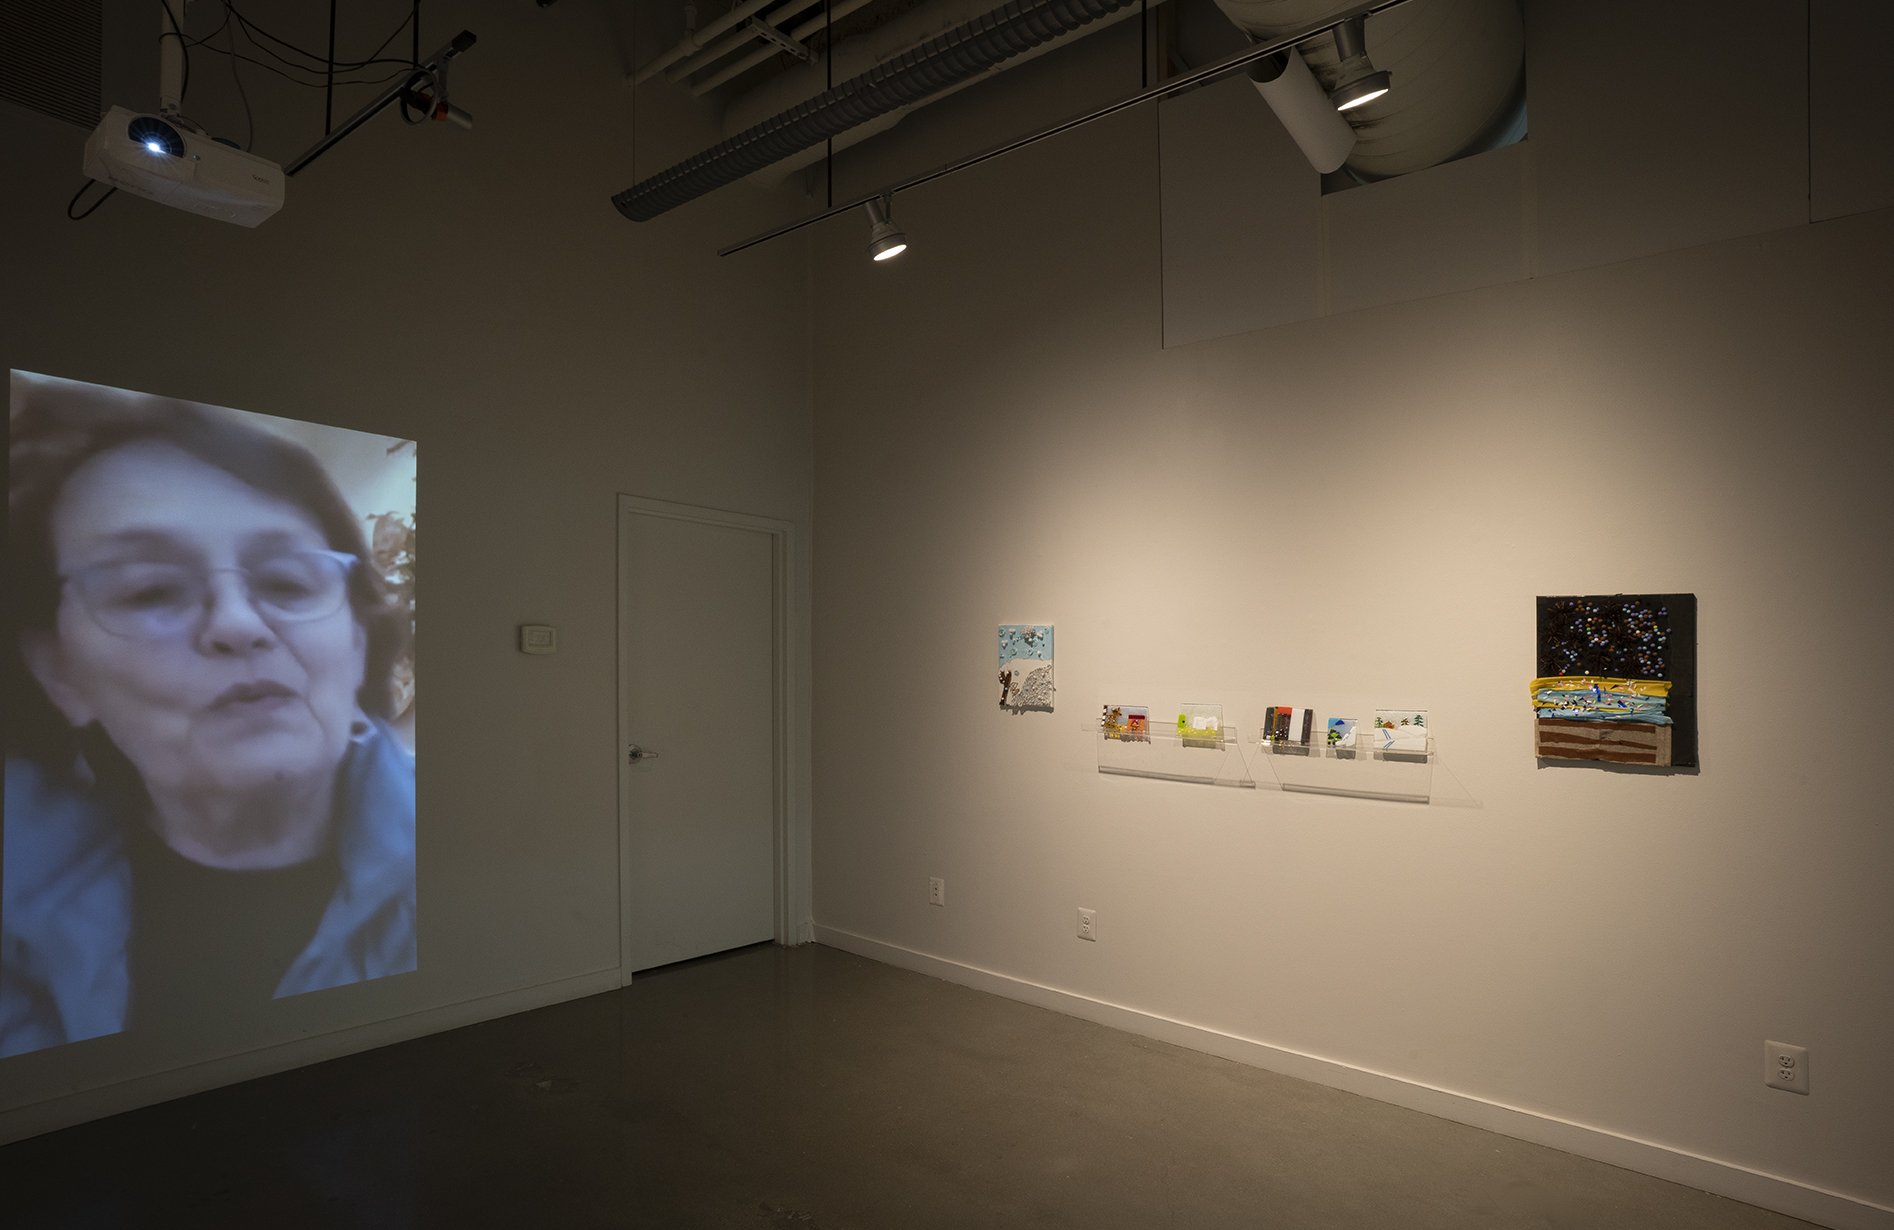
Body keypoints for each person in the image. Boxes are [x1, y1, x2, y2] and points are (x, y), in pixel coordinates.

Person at [2, 378, 415, 1058]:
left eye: (286, 581)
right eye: (152, 589)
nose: (238, 624)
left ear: (358, 640)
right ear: (58, 673)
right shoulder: (20, 893)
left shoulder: (476, 857)